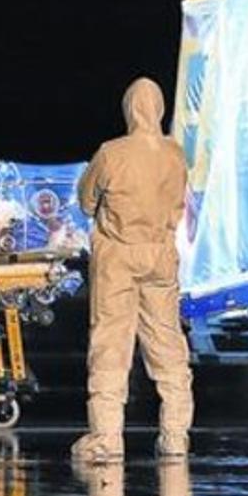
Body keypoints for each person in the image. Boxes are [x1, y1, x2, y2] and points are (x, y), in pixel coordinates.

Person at [71, 77, 194, 462]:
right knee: (167, 343)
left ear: (128, 109)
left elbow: (87, 200)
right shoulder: (175, 154)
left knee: (111, 343)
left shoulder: (112, 153)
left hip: (118, 258)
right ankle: (175, 435)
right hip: (160, 254)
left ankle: (107, 438)